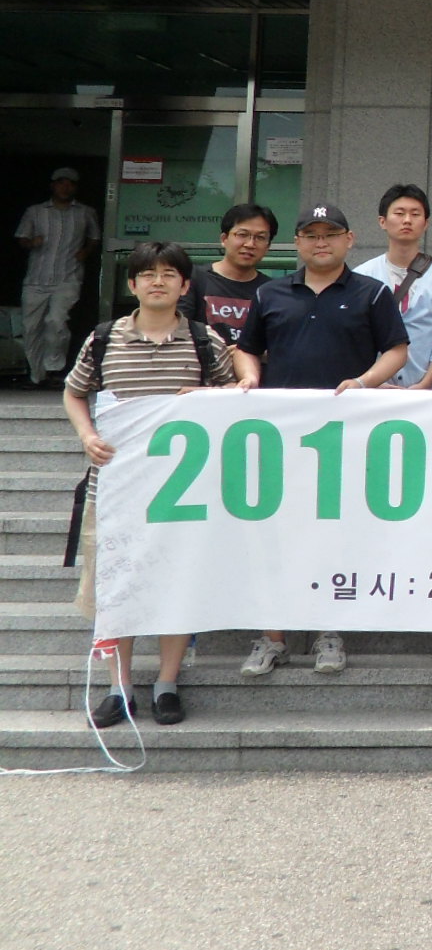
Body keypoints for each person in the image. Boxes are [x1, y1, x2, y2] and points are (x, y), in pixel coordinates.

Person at [64, 242, 242, 727]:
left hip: (183, 495)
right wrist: (87, 435)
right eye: (147, 274)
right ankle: (118, 688)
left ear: (185, 286)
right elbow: (75, 393)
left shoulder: (204, 340)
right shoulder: (103, 339)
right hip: (114, 490)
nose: (157, 281)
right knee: (114, 590)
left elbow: (235, 394)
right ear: (132, 284)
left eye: (168, 274)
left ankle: (167, 682)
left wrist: (209, 395)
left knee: (176, 585)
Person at [232, 203, 409, 678]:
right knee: (274, 535)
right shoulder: (270, 293)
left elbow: (397, 349)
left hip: (345, 436)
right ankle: (272, 637)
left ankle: (329, 631)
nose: (320, 242)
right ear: (297, 244)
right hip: (279, 436)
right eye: (310, 235)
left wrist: (365, 382)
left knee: (335, 534)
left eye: (330, 234)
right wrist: (249, 378)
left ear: (349, 240)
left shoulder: (372, 292)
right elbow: (247, 349)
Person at [356, 184, 432, 390]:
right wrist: (372, 381)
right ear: (382, 221)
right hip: (372, 390)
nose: (407, 220)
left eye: (415, 214)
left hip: (426, 391)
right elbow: (355, 336)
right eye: (399, 213)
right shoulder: (362, 275)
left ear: (426, 223)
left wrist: (426, 383)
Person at [16, 165, 100, 388]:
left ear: (76, 188)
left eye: (71, 183)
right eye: (61, 182)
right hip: (36, 278)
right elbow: (22, 238)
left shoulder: (85, 212)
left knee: (56, 321)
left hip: (68, 277)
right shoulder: (35, 211)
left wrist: (85, 251)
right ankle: (36, 375)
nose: (66, 187)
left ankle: (53, 369)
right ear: (53, 185)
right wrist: (31, 242)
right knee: (30, 326)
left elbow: (95, 237)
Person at [180, 202, 277, 349]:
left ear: (268, 246)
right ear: (224, 239)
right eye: (242, 235)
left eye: (260, 237)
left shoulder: (272, 290)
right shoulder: (193, 279)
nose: (250, 244)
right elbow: (178, 330)